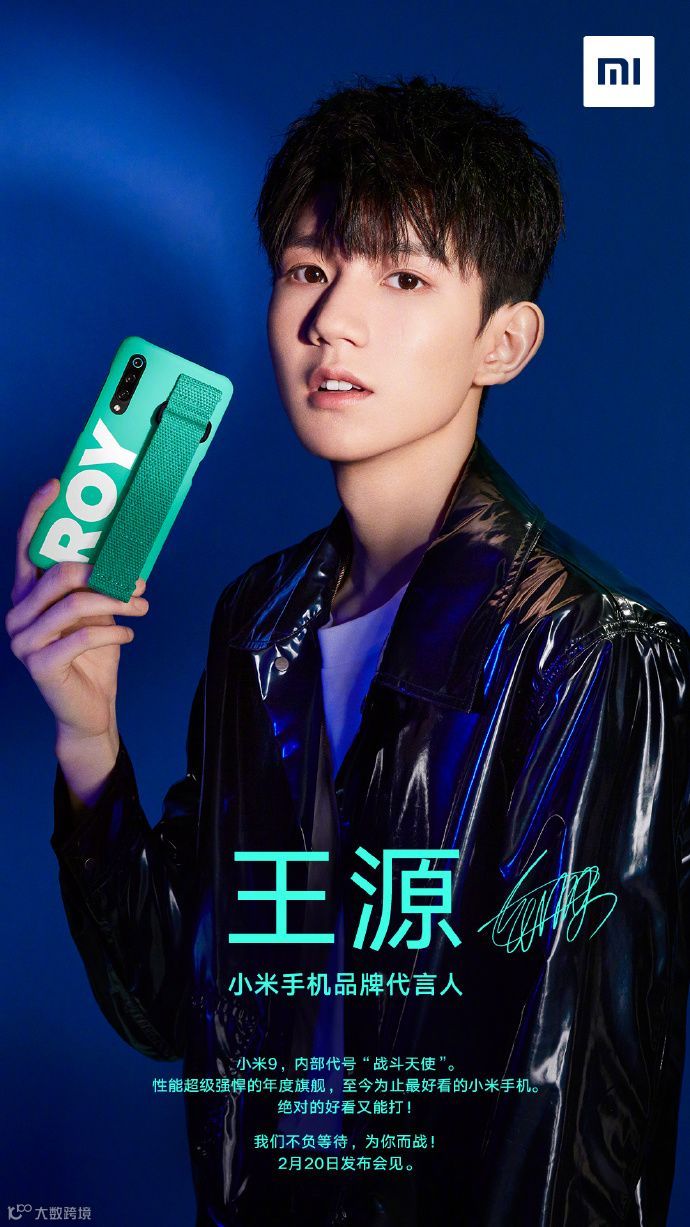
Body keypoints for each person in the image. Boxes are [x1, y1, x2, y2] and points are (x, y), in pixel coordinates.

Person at [7, 74, 690, 1226]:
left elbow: (566, 1113)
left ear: (504, 341)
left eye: (403, 277)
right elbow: (179, 1007)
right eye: (307, 271)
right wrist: (87, 736)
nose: (333, 321)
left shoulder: (591, 655)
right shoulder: (259, 622)